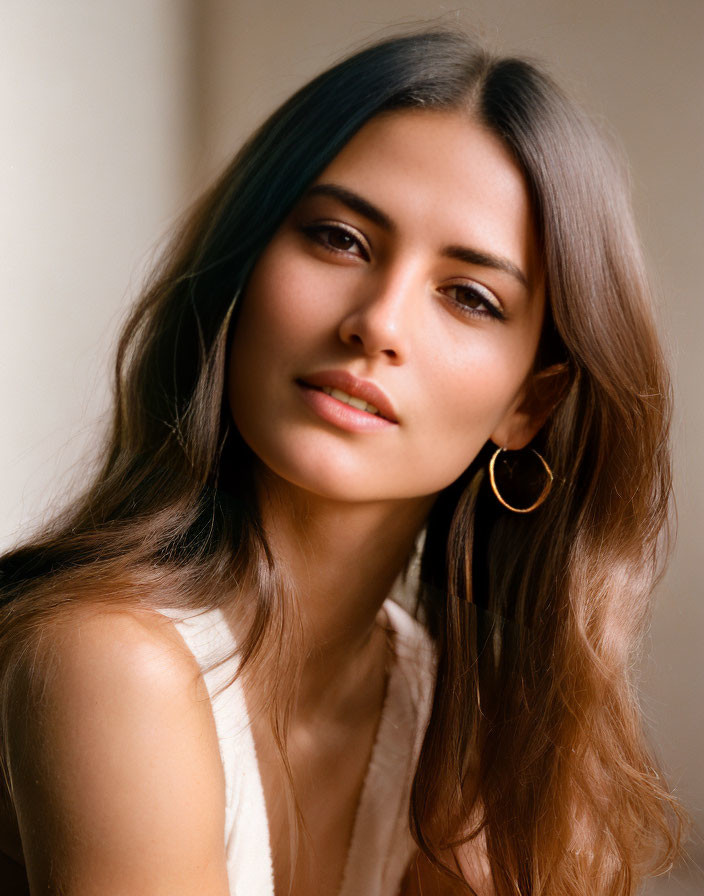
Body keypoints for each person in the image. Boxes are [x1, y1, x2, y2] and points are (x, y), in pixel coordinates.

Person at [0, 28, 687, 896]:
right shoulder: (108, 659)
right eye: (338, 239)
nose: (379, 323)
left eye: (470, 296)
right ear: (243, 267)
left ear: (529, 405)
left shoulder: (458, 721)